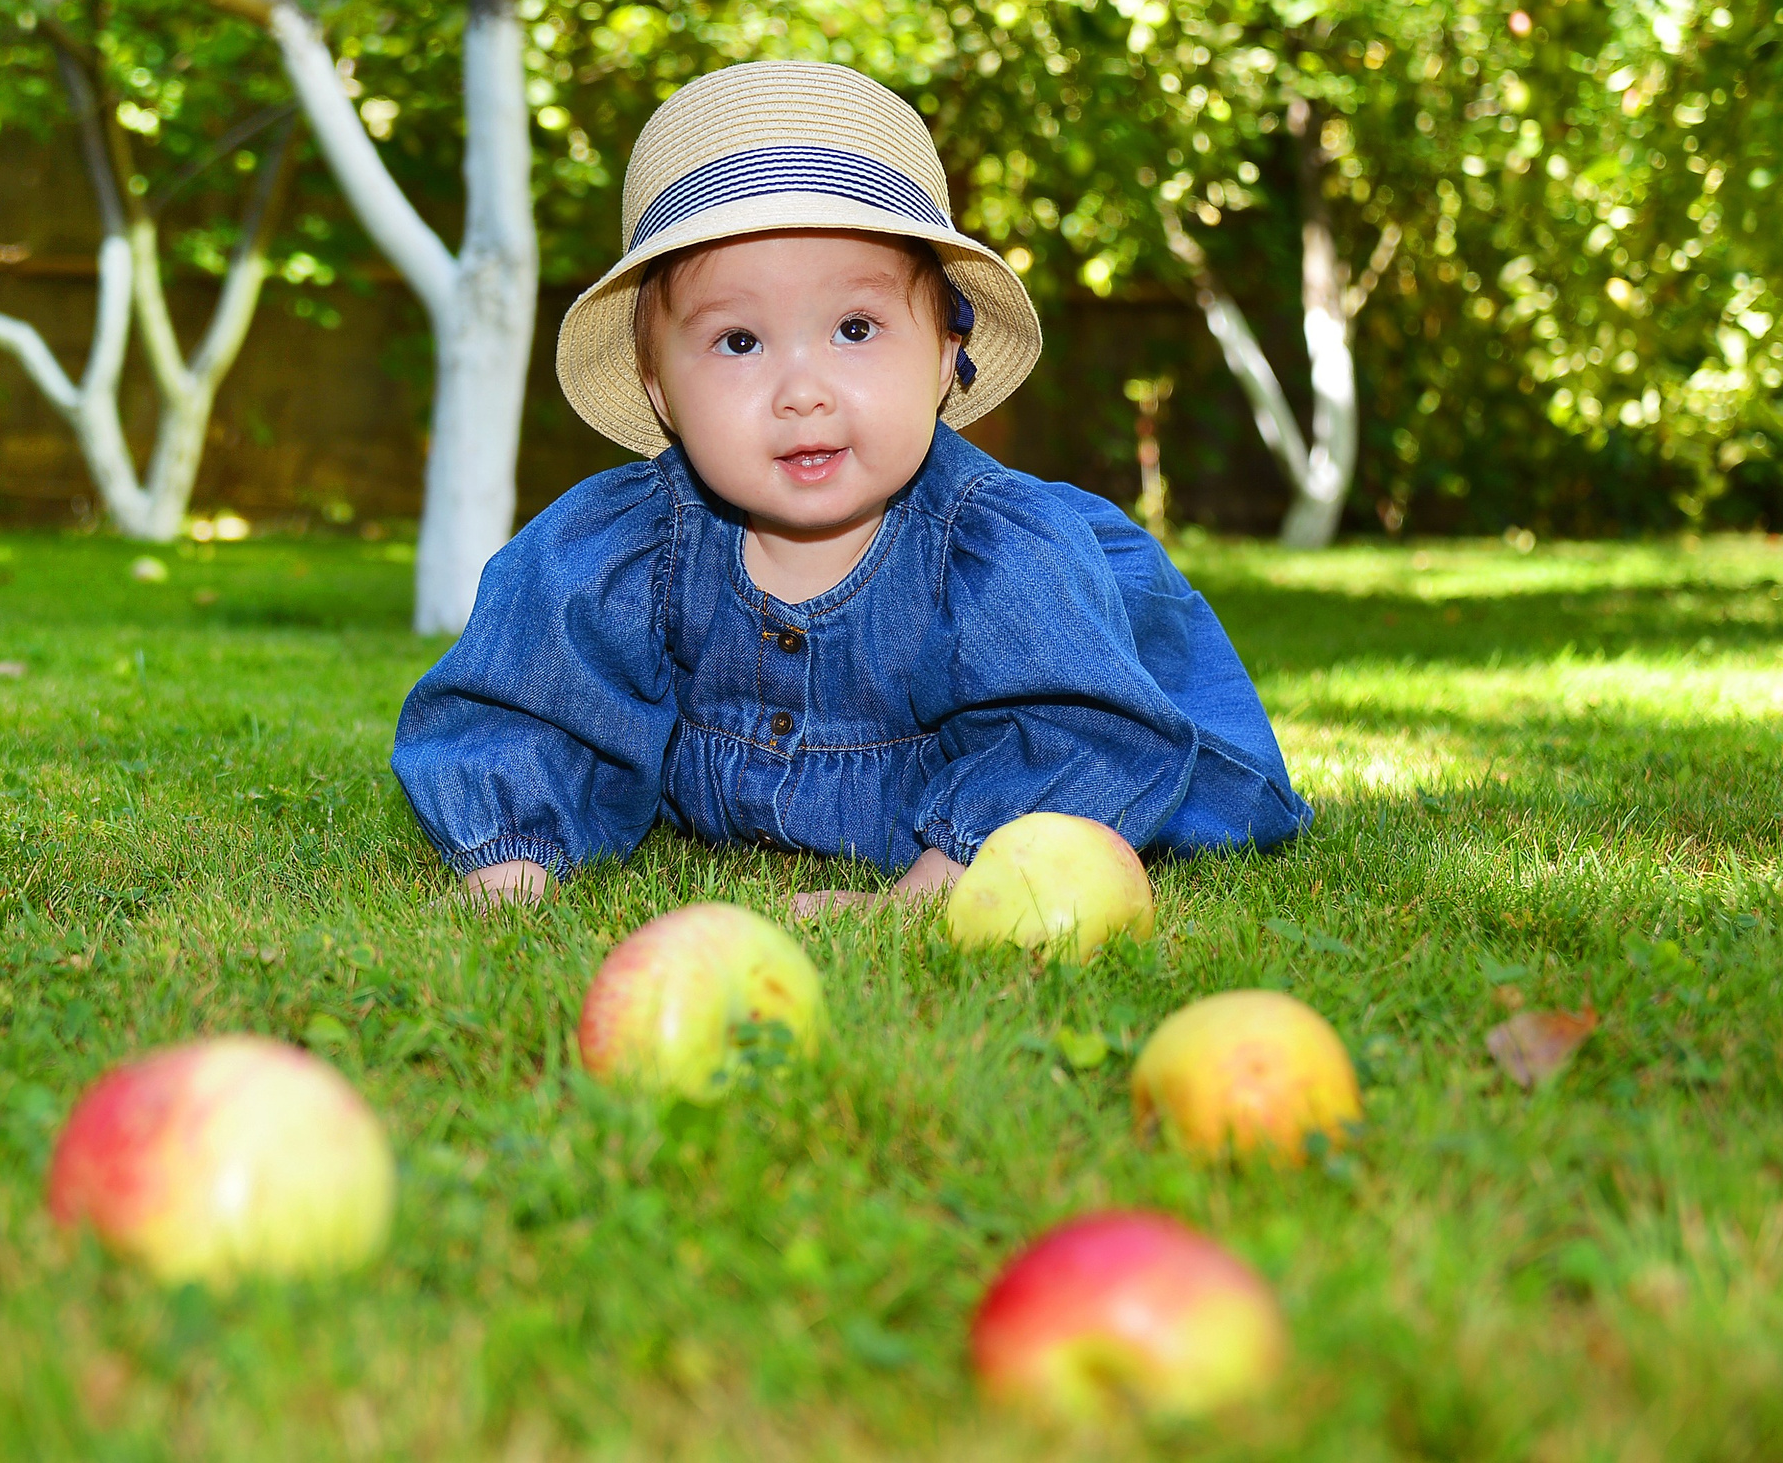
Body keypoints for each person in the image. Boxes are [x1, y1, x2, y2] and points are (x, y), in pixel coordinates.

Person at [392, 61, 1309, 913]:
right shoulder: (628, 546)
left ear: (950, 355)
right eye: (739, 342)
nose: (803, 390)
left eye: (857, 328)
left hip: (1084, 747)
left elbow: (1072, 732)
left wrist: (935, 887)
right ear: (659, 387)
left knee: (1150, 791)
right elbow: (528, 692)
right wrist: (509, 852)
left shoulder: (1000, 554)